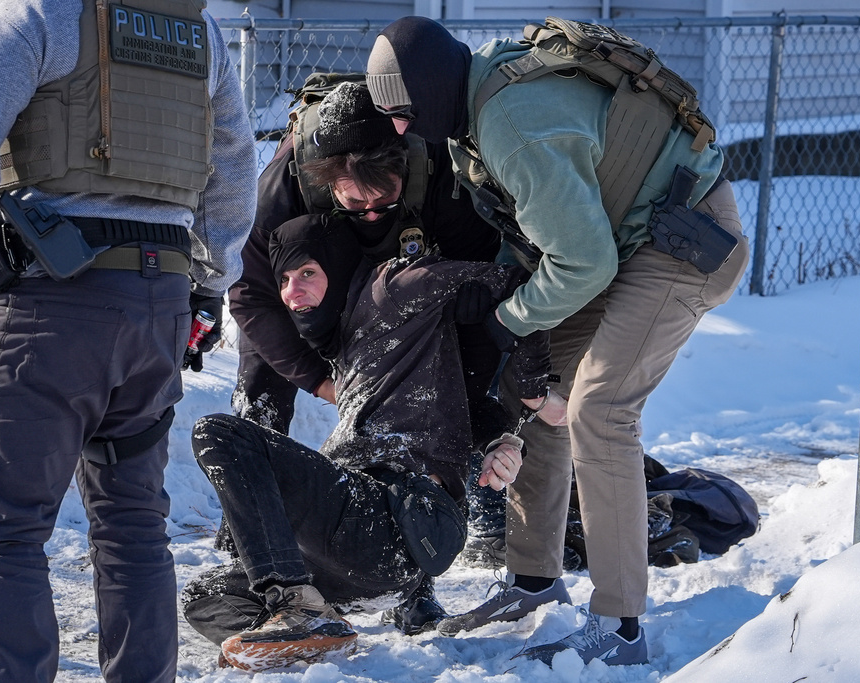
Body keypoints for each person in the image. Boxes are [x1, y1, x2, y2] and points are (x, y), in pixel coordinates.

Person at [0, 1, 256, 681]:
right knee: (135, 524)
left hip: (60, 304)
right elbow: (233, 157)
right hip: (161, 302)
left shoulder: (33, 10)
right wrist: (210, 278)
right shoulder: (192, 26)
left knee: (1, 526)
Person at [366, 16, 750, 666]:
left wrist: (509, 320)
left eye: (402, 113)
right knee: (537, 388)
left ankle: (621, 625)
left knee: (600, 407)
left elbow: (584, 264)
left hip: (684, 241)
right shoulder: (476, 99)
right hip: (624, 237)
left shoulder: (508, 123)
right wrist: (521, 337)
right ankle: (533, 581)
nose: (400, 129)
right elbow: (559, 238)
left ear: (430, 87)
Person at [182, 214, 566, 671]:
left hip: (395, 524)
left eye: (307, 273)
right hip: (352, 564)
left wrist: (532, 390)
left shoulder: (393, 287)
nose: (292, 292)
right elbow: (446, 407)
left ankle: (300, 608)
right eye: (283, 279)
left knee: (218, 433)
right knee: (204, 598)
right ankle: (317, 630)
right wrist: (497, 438)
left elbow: (514, 280)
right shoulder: (345, 343)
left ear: (338, 265)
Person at [227, 79, 510, 568]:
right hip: (311, 282)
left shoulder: (440, 174)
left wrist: (471, 304)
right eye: (356, 205)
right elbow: (251, 296)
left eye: (385, 201)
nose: (373, 214)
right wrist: (317, 378)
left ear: (405, 169)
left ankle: (473, 495)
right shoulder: (282, 192)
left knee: (458, 358)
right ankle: (248, 526)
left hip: (409, 279)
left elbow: (486, 270)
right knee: (261, 390)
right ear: (327, 185)